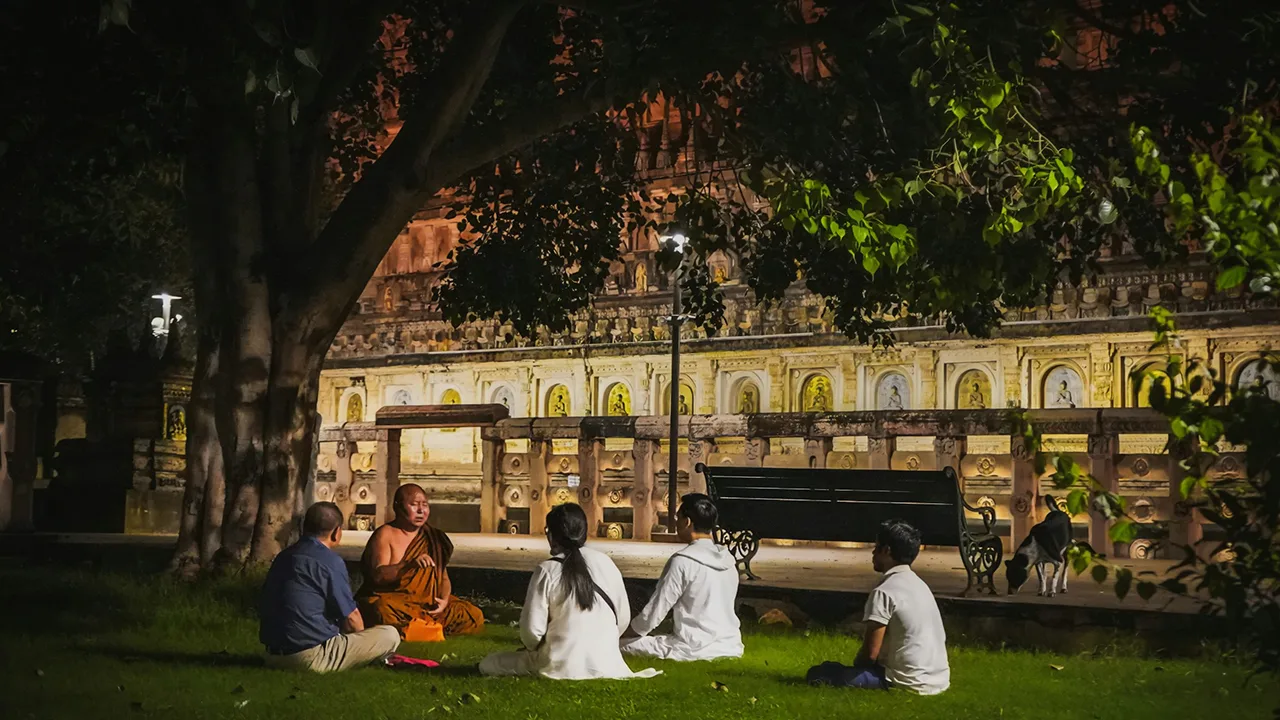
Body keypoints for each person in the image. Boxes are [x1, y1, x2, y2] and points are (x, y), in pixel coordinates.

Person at [479, 503, 660, 679]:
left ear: (551, 535)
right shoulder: (607, 563)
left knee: (489, 663)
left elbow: (532, 632)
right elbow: (622, 620)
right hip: (608, 662)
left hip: (559, 663)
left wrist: (534, 647)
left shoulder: (547, 569)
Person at [806, 519, 950, 695]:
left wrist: (857, 669)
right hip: (939, 679)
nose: (873, 553)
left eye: (876, 547)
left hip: (906, 681)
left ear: (887, 551)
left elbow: (869, 654)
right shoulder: (920, 585)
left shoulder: (884, 592)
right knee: (833, 669)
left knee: (820, 673)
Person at [259, 502, 401, 672]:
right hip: (309, 657)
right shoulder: (329, 561)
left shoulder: (284, 556)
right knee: (390, 634)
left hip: (271, 655)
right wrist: (361, 643)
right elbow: (352, 620)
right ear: (336, 532)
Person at [621, 493, 744, 661]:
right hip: (730, 645)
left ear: (687, 522)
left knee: (618, 644)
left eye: (677, 517)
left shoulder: (682, 561)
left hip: (691, 648)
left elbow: (653, 614)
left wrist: (623, 633)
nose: (676, 522)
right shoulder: (729, 561)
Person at [355, 484, 484, 641]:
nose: (421, 511)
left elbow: (443, 578)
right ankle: (428, 629)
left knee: (473, 614)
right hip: (395, 601)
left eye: (424, 505)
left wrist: (443, 601)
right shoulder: (385, 534)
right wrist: (408, 565)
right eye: (414, 505)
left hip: (427, 604)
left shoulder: (432, 537)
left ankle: (418, 629)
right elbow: (377, 576)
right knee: (380, 609)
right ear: (398, 507)